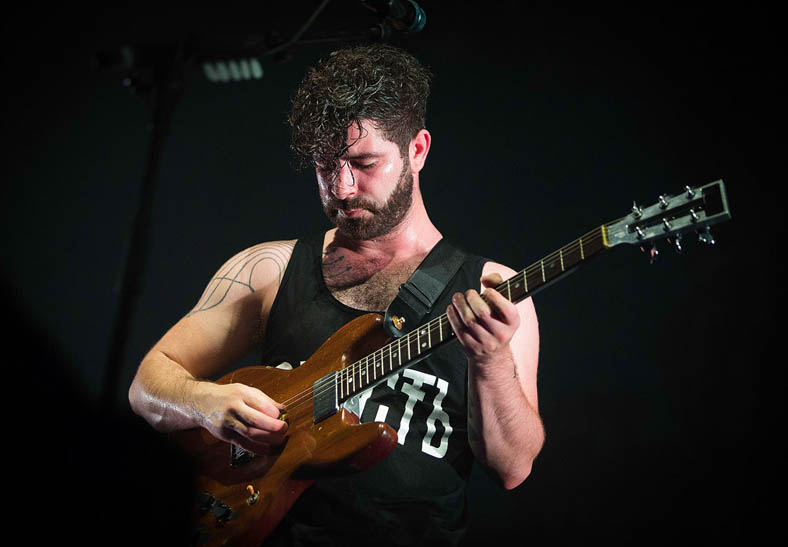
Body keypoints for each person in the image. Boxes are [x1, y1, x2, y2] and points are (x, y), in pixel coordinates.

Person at [128, 43, 543, 545]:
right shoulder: (269, 269)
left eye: (364, 163)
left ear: (417, 150)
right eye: (327, 167)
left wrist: (491, 360)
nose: (343, 188)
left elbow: (513, 469)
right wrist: (204, 402)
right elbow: (147, 385)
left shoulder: (494, 290)